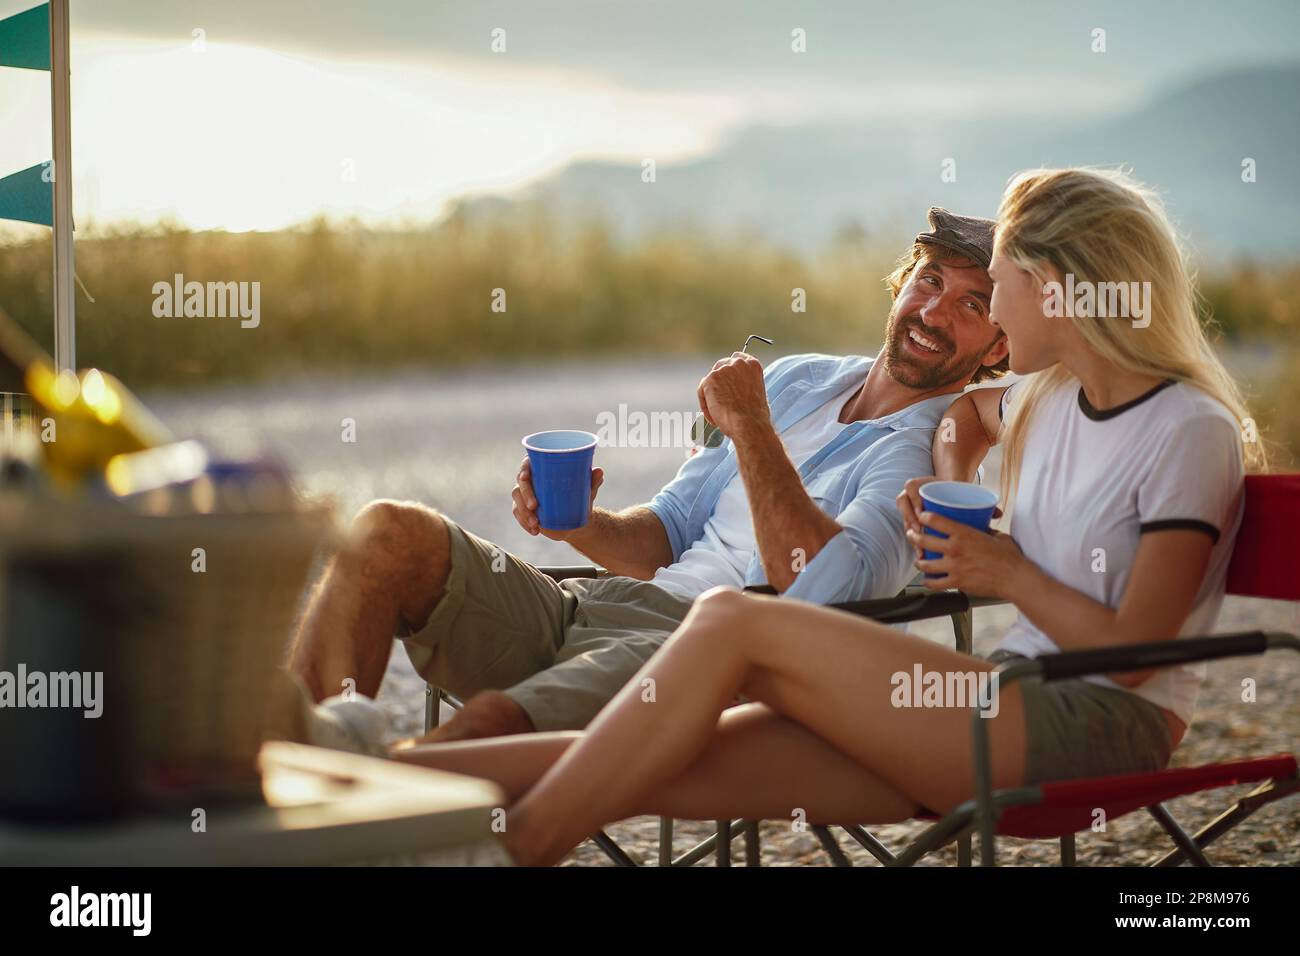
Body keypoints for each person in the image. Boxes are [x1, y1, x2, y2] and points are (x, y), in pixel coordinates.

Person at [392, 167, 1255, 866]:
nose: (986, 311)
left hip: (1096, 727)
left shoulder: (1188, 428)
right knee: (669, 754)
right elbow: (961, 416)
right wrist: (953, 476)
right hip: (994, 698)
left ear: (1060, 292)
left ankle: (523, 849)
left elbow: (1145, 656)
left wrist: (1006, 571)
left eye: (999, 289)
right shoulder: (1049, 400)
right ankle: (370, 795)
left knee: (733, 621)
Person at [287, 208, 1010, 743]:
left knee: (498, 723)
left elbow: (827, 589)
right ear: (899, 284)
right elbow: (666, 532)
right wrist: (579, 525)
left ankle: (359, 817)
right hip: (604, 610)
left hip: (717, 658)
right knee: (387, 533)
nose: (934, 311)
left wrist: (752, 429)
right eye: (929, 280)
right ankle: (274, 777)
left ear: (998, 346)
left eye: (971, 305)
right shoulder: (797, 381)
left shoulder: (923, 449)